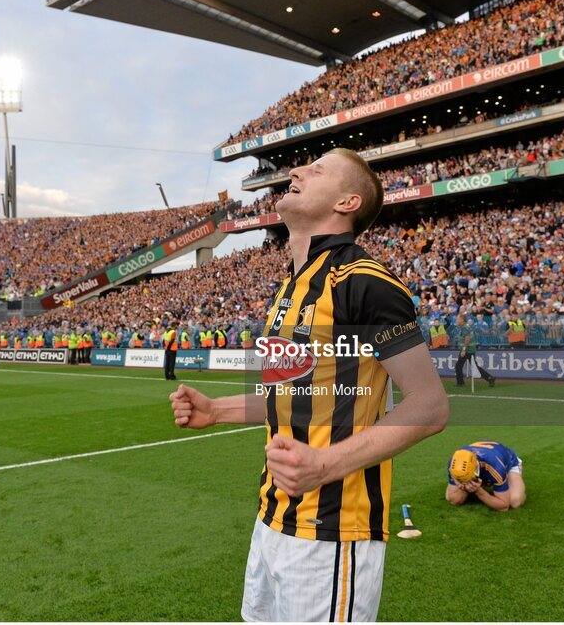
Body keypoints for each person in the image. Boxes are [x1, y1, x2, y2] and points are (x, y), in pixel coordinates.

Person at [168, 148, 449, 621]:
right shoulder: (290, 288)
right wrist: (218, 410)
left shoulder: (364, 282)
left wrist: (323, 465)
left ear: (347, 202)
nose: (296, 171)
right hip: (272, 518)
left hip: (333, 531)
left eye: (317, 170)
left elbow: (430, 407)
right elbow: (296, 392)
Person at [445, 441, 525, 511]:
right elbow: (453, 499)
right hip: (485, 454)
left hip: (507, 462)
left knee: (515, 501)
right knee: (454, 499)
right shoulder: (455, 463)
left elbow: (504, 506)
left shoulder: (495, 466)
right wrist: (462, 486)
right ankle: (485, 482)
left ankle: (505, 479)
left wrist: (479, 491)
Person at [454, 320, 494, 388]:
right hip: (470, 349)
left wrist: (463, 349)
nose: (457, 321)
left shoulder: (464, 328)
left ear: (462, 320)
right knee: (474, 366)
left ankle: (460, 383)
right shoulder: (468, 326)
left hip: (467, 350)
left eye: (458, 319)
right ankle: (489, 378)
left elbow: (467, 338)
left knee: (458, 366)